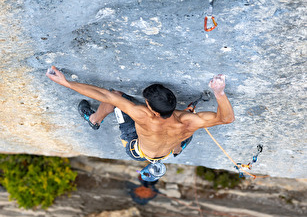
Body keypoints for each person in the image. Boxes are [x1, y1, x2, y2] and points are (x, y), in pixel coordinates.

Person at [46, 67, 235, 162]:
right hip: (167, 151)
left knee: (117, 96)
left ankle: (94, 119)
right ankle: (177, 149)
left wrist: (67, 83)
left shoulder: (143, 116)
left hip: (138, 150)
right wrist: (219, 93)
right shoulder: (190, 121)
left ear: (152, 110)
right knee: (186, 135)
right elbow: (226, 119)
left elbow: (107, 95)